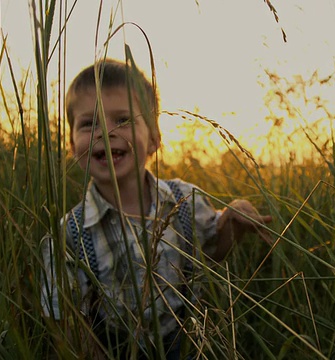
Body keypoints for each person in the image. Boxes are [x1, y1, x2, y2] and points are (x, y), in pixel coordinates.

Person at [41, 57, 272, 359]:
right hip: (114, 351)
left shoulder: (184, 200)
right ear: (72, 145)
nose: (105, 132)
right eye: (89, 123)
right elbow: (67, 320)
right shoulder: (70, 233)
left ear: (154, 139)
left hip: (188, 343)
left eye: (122, 119)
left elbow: (212, 250)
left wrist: (233, 221)